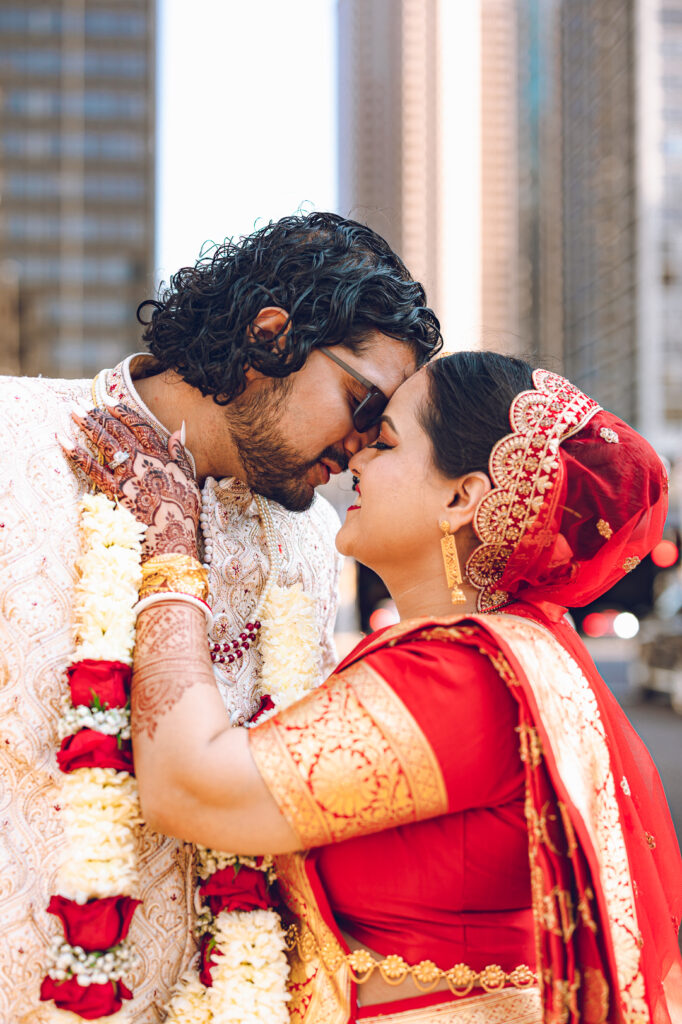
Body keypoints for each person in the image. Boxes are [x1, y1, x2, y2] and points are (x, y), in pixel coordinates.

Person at [68, 351, 682, 1024]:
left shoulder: (463, 677)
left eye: (385, 440)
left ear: (460, 498)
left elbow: (192, 786)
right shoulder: (518, 648)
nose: (356, 457)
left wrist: (168, 541)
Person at [0, 211, 441, 1022]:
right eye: (361, 399)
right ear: (268, 338)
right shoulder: (15, 442)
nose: (364, 441)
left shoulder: (311, 541)